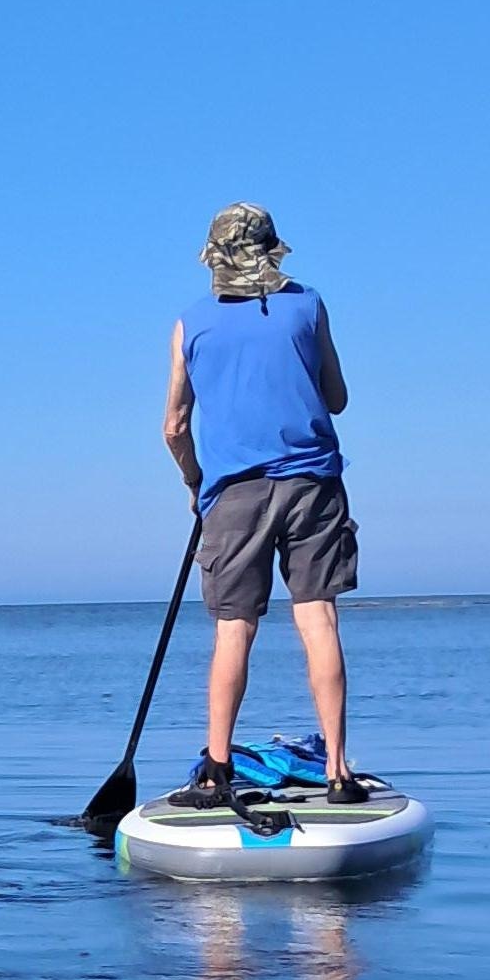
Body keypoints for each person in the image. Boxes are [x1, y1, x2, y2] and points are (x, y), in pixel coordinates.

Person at [157, 203, 376, 807]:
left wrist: (194, 481)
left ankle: (218, 770)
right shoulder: (307, 306)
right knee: (318, 619)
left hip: (234, 494)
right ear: (274, 251)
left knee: (235, 629)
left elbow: (175, 426)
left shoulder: (190, 324)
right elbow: (336, 397)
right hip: (313, 485)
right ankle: (337, 772)